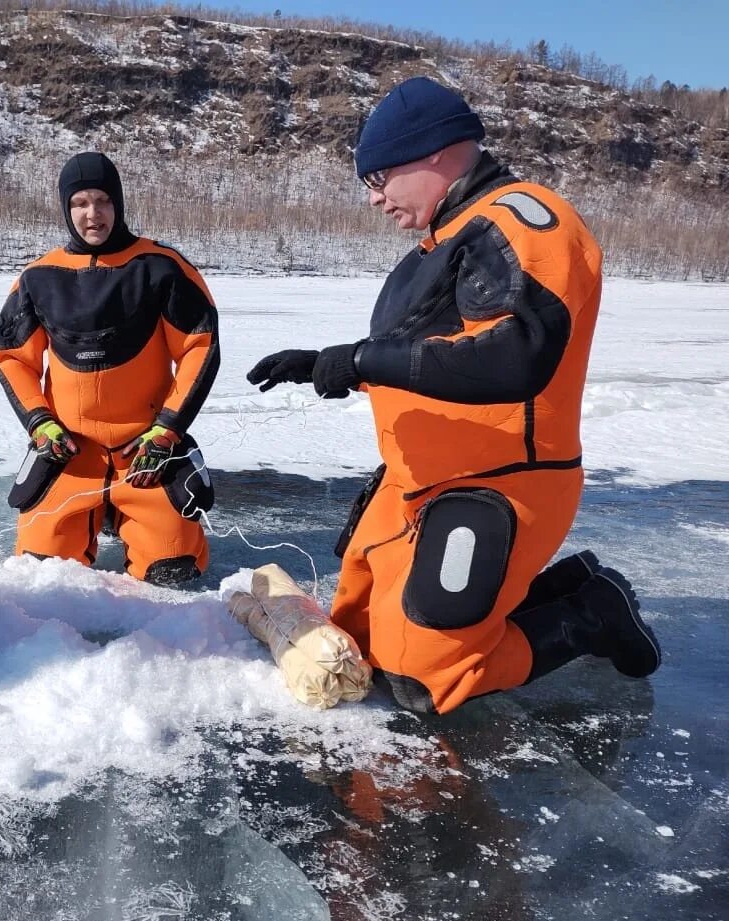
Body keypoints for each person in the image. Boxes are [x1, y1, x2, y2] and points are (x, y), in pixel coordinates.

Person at [247, 77, 661, 715]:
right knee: (352, 638)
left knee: (420, 680)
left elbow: (514, 354)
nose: (376, 198)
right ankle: (550, 590)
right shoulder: (443, 240)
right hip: (418, 480)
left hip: (498, 482)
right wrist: (326, 365)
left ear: (436, 151)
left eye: (380, 176)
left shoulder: (520, 222)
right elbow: (431, 353)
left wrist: (363, 357)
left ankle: (590, 615)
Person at [0, 152, 219, 584]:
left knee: (173, 573)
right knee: (43, 577)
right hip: (69, 452)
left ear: (119, 204)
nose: (92, 214)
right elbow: (10, 357)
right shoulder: (40, 275)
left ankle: (131, 514)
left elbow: (199, 348)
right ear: (65, 208)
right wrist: (40, 424)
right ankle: (94, 512)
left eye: (102, 201)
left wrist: (167, 428)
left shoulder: (161, 268)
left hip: (146, 451)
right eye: (79, 203)